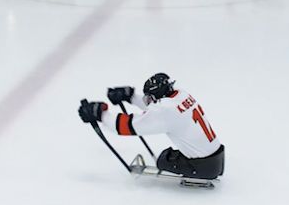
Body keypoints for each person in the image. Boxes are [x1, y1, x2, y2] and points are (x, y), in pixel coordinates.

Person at [77, 73, 225, 182]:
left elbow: (128, 126)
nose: (148, 101)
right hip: (216, 157)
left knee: (163, 160)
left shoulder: (164, 111)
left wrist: (101, 115)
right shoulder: (181, 95)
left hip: (201, 166)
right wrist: (131, 96)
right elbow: (158, 113)